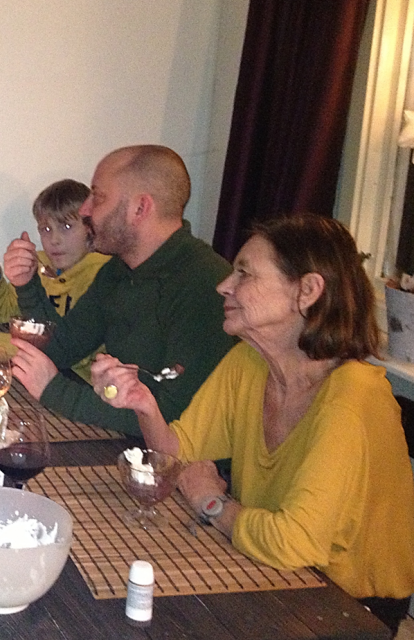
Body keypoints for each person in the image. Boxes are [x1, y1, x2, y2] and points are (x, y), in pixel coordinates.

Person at [93, 213, 414, 637]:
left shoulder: (354, 395)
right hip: (266, 569)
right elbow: (175, 458)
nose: (224, 286)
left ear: (307, 291)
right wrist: (144, 404)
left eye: (244, 273)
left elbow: (291, 542)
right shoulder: (249, 361)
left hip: (346, 606)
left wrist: (211, 503)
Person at [6, 145, 237, 435]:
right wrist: (27, 284)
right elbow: (60, 349)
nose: (85, 210)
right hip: (125, 439)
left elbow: (174, 418)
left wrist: (55, 391)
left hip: (175, 456)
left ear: (140, 208)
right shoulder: (118, 270)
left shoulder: (204, 283)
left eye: (98, 197)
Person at [0, 179, 109, 378]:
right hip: (41, 371)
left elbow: (71, 352)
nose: (54, 240)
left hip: (83, 381)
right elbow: (7, 314)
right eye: (46, 229)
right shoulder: (40, 263)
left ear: (90, 228)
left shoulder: (102, 276)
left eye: (66, 226)